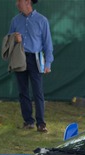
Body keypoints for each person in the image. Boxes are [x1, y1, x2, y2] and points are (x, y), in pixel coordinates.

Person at [9, 0, 54, 133]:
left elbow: (47, 43)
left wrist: (48, 63)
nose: (17, 3)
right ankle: (28, 121)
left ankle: (41, 123)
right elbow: (8, 40)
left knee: (37, 91)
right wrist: (14, 39)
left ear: (28, 2)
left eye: (19, 1)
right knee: (23, 91)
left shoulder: (42, 20)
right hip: (20, 58)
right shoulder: (15, 20)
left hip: (36, 59)